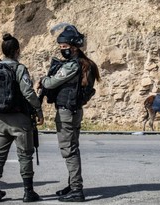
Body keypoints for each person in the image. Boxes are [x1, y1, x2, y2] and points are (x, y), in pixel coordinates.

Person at [38, 25, 100, 202]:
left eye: (64, 47)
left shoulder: (73, 66)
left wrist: (43, 79)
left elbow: (50, 83)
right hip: (75, 111)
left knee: (69, 150)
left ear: (73, 48)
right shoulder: (86, 64)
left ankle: (76, 190)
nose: (61, 50)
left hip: (67, 112)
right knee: (73, 148)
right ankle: (72, 184)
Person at [0, 33, 44, 202]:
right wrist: (38, 110)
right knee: (25, 155)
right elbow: (27, 92)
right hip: (20, 120)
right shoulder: (19, 69)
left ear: (3, 51)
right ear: (17, 51)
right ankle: (28, 192)